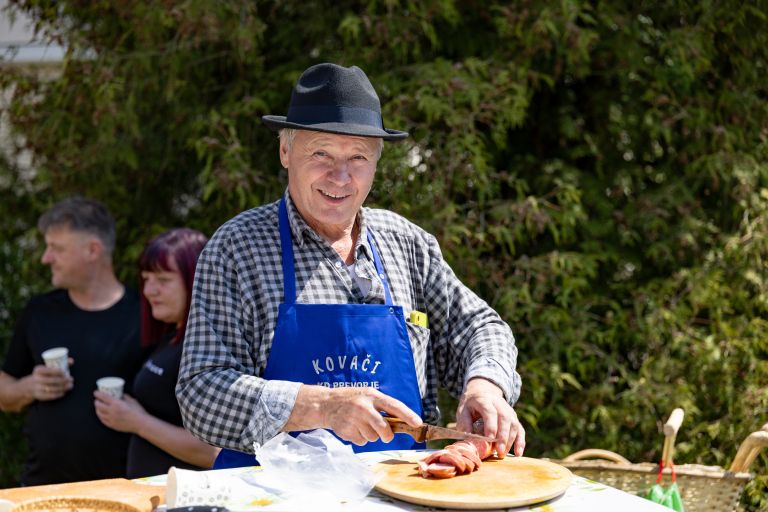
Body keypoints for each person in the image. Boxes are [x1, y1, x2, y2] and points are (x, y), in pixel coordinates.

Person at [176, 63, 525, 468]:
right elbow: (202, 393)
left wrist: (485, 385)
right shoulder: (237, 248)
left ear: (376, 163)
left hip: (395, 491)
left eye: (358, 157)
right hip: (274, 497)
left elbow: (482, 327)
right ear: (285, 151)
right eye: (321, 152)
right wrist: (321, 406)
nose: (340, 176)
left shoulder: (406, 243)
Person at [0, 197, 144, 485]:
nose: (45, 258)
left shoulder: (143, 314)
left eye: (57, 248)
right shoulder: (40, 311)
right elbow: (5, 392)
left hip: (124, 492)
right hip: (42, 489)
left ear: (93, 250)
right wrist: (28, 387)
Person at [93, 228, 220, 478]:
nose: (149, 290)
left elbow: (213, 452)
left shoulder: (210, 347)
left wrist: (137, 422)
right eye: (146, 278)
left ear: (198, 279)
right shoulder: (172, 337)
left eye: (162, 280)